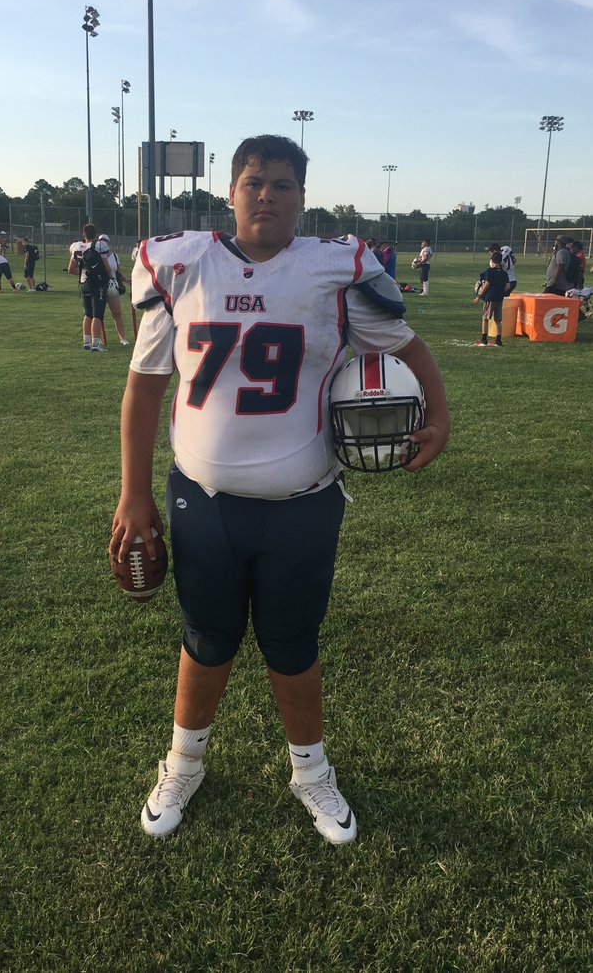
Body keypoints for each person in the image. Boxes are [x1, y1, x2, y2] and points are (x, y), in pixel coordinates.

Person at [109, 134, 450, 845]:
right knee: (205, 638)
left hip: (304, 503)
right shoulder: (181, 264)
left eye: (283, 185)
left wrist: (439, 413)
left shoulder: (333, 271)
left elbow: (405, 346)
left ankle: (311, 773)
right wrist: (132, 494)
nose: (267, 195)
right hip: (201, 500)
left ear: (302, 197)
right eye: (255, 182)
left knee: (293, 643)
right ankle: (184, 762)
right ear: (231, 192)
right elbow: (144, 390)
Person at [67, 223, 112, 351]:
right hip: (97, 284)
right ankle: (96, 344)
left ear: (84, 234)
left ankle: (86, 343)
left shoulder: (77, 246)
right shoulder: (99, 245)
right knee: (97, 314)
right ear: (95, 234)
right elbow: (107, 268)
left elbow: (71, 269)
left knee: (87, 313)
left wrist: (84, 275)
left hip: (83, 283)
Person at [98, 233, 130, 346]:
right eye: (101, 241)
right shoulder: (96, 255)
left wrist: (127, 280)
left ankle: (122, 338)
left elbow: (118, 273)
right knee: (98, 314)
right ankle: (98, 338)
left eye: (105, 241)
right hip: (100, 286)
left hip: (113, 286)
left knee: (117, 313)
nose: (103, 243)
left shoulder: (115, 256)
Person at [474, 249, 510, 346]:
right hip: (499, 298)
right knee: (498, 320)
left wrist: (479, 296)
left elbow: (486, 284)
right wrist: (501, 291)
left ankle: (484, 339)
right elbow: (508, 286)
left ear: (492, 261)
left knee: (485, 318)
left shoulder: (489, 271)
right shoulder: (504, 273)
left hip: (490, 298)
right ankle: (498, 340)